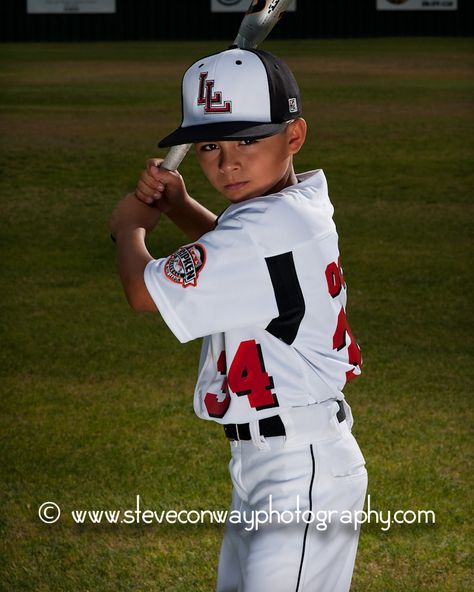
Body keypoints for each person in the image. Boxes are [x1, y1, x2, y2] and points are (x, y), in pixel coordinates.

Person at [110, 47, 368, 592]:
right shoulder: (291, 207)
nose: (227, 163)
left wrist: (128, 229)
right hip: (272, 462)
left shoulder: (260, 227)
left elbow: (142, 292)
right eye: (209, 145)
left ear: (294, 135)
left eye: (248, 140)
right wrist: (179, 207)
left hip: (301, 469)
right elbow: (241, 261)